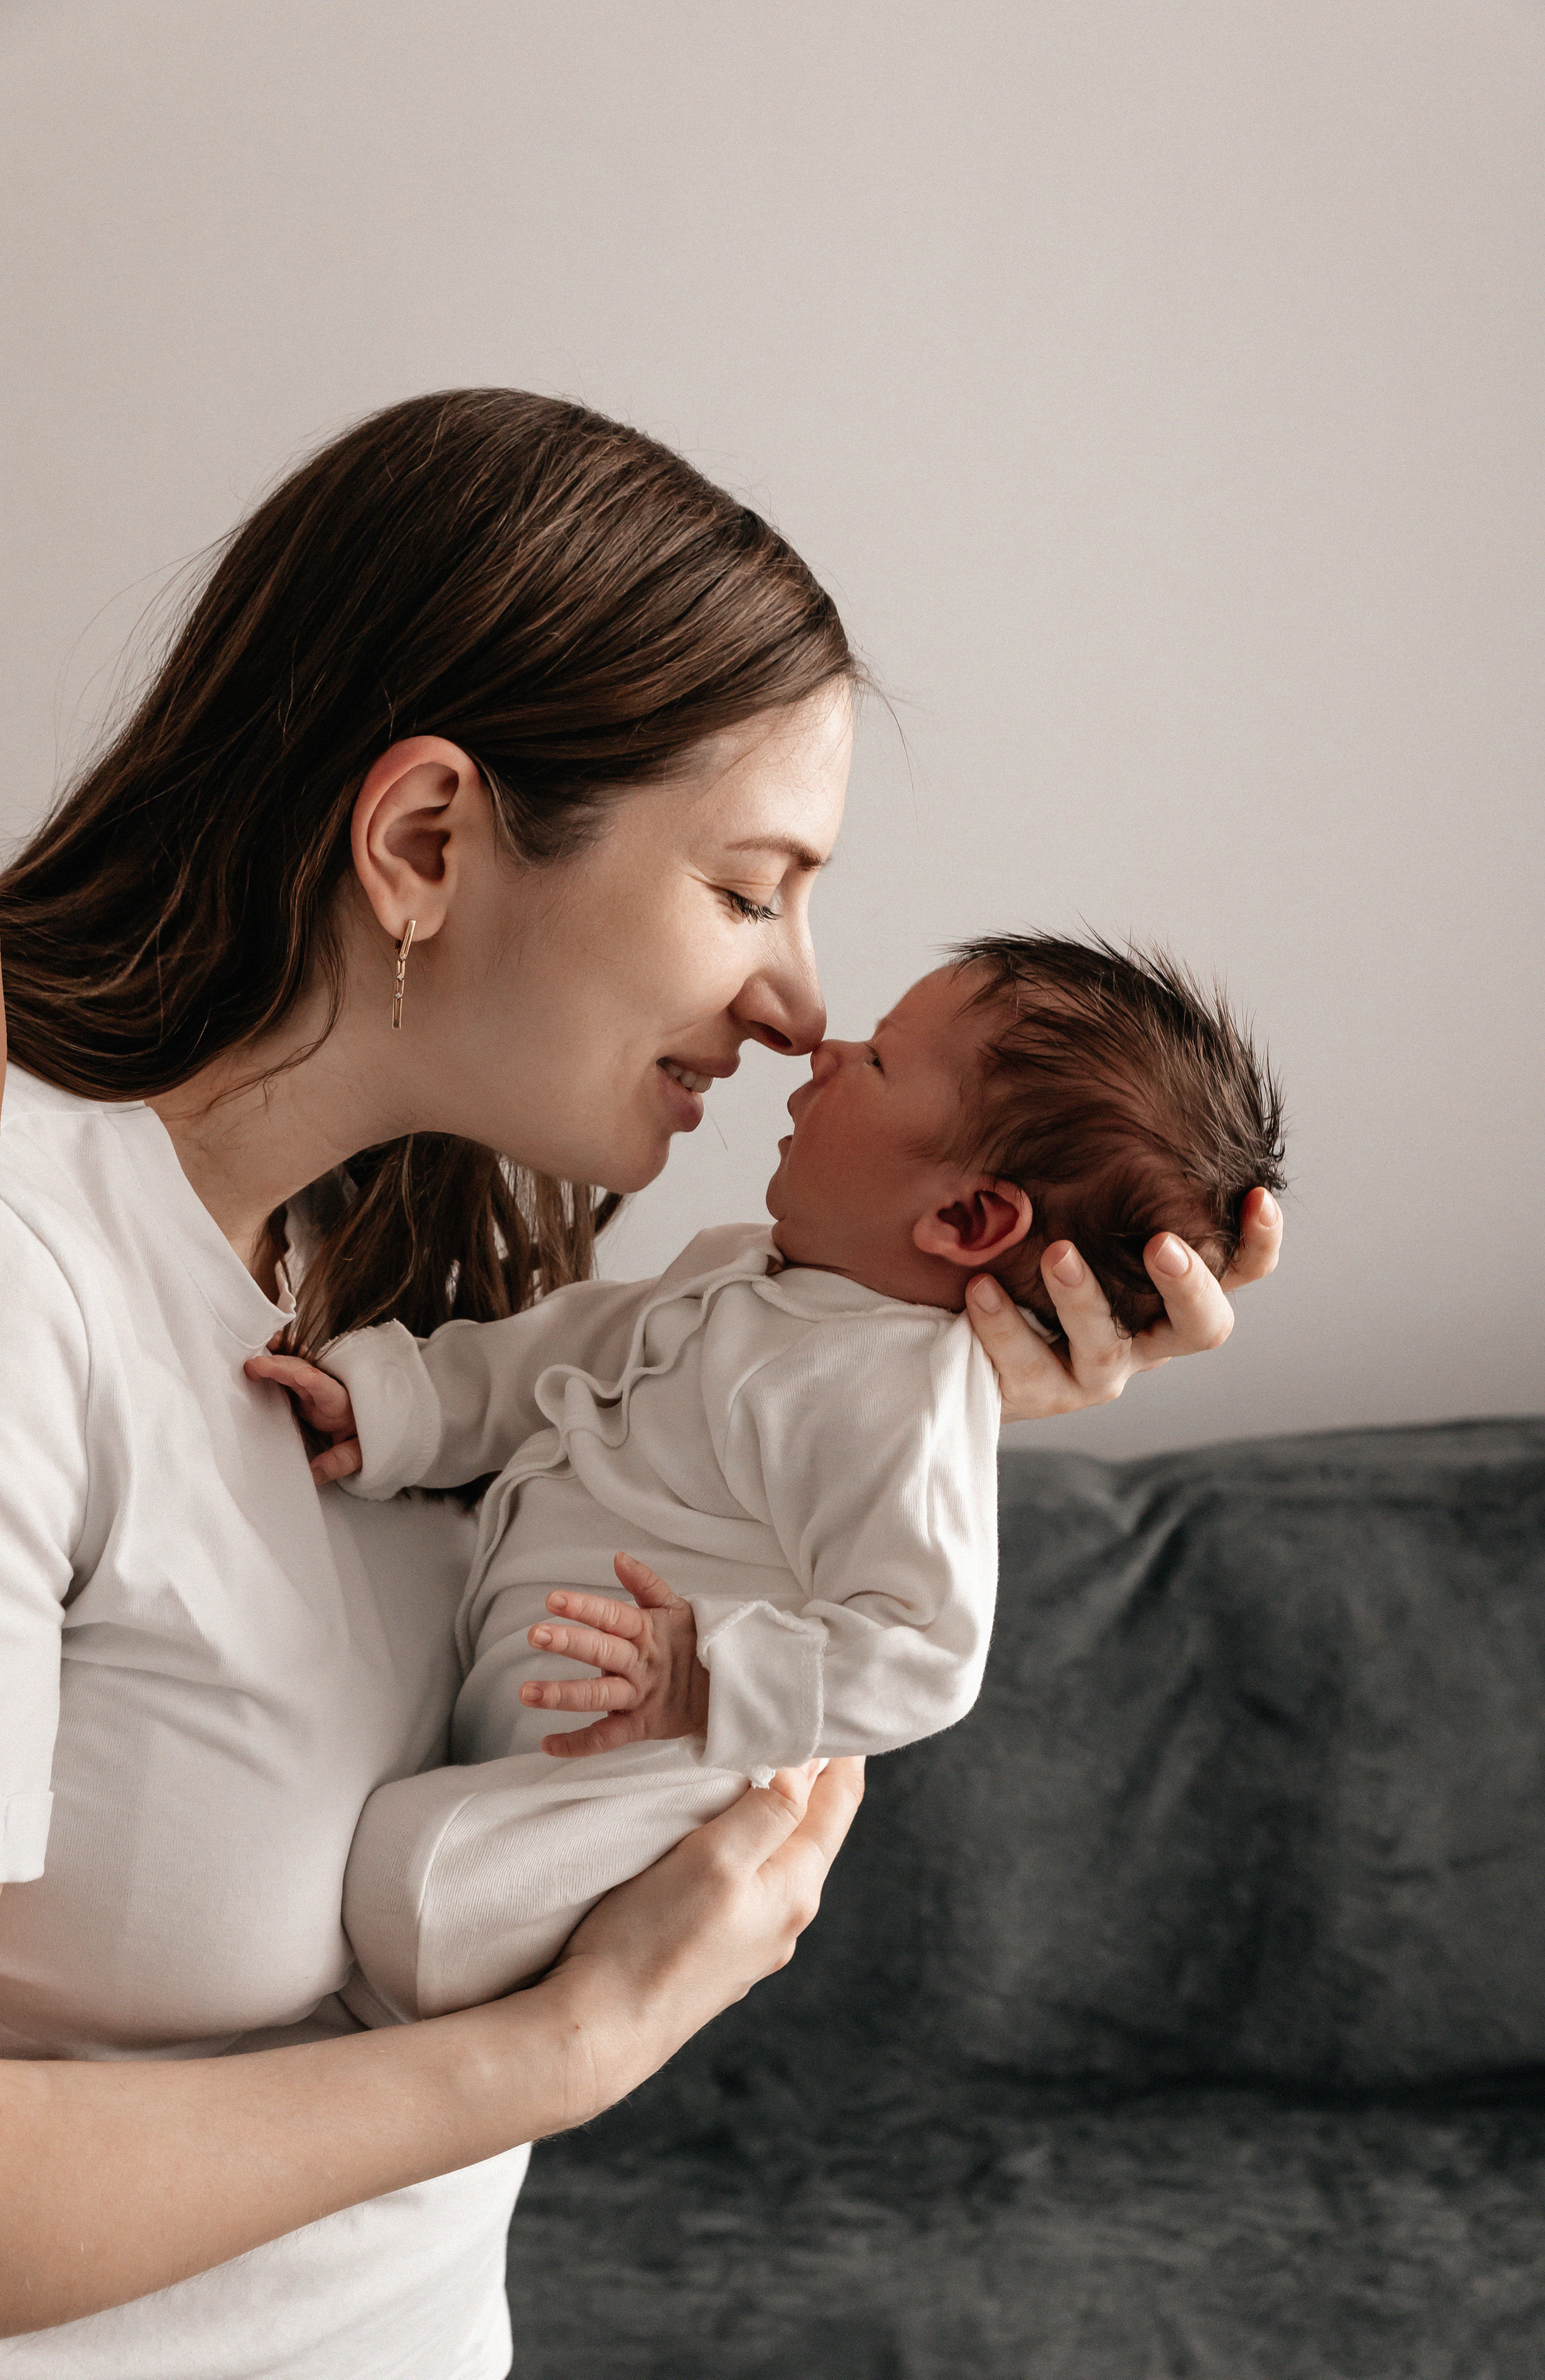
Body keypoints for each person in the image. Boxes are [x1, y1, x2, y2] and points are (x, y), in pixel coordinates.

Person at [0, 390, 1280, 2377]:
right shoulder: (22, 1276)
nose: (795, 1008)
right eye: (750, 887)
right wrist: (560, 2051)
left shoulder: (378, 1254)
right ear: (428, 840)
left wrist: (913, 1391)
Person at [245, 933, 1286, 2022]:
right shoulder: (748, 1269)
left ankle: (417, 2010)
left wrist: (711, 1676)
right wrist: (399, 1408)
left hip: (653, 1759)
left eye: (879, 1060)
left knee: (411, 1887)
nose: (824, 1051)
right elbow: (571, 1349)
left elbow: (928, 1654)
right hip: (528, 1686)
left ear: (967, 1220)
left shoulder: (905, 1393)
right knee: (396, 1850)